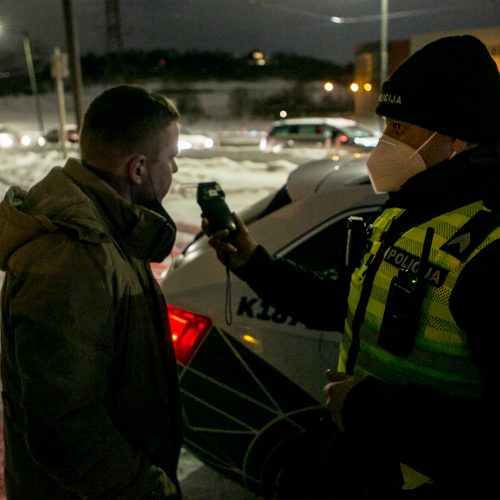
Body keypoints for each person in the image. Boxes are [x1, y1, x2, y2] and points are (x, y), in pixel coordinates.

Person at [206, 35, 500, 499]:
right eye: (386, 125)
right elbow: (340, 302)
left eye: (400, 128)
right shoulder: (406, 213)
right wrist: (253, 262)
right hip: (365, 465)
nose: (385, 142)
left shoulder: (490, 250)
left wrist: (368, 409)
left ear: (457, 140)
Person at [0, 85, 183, 499]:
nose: (175, 171)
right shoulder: (71, 254)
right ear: (137, 169)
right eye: (171, 160)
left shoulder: (111, 228)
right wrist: (148, 490)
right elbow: (64, 428)